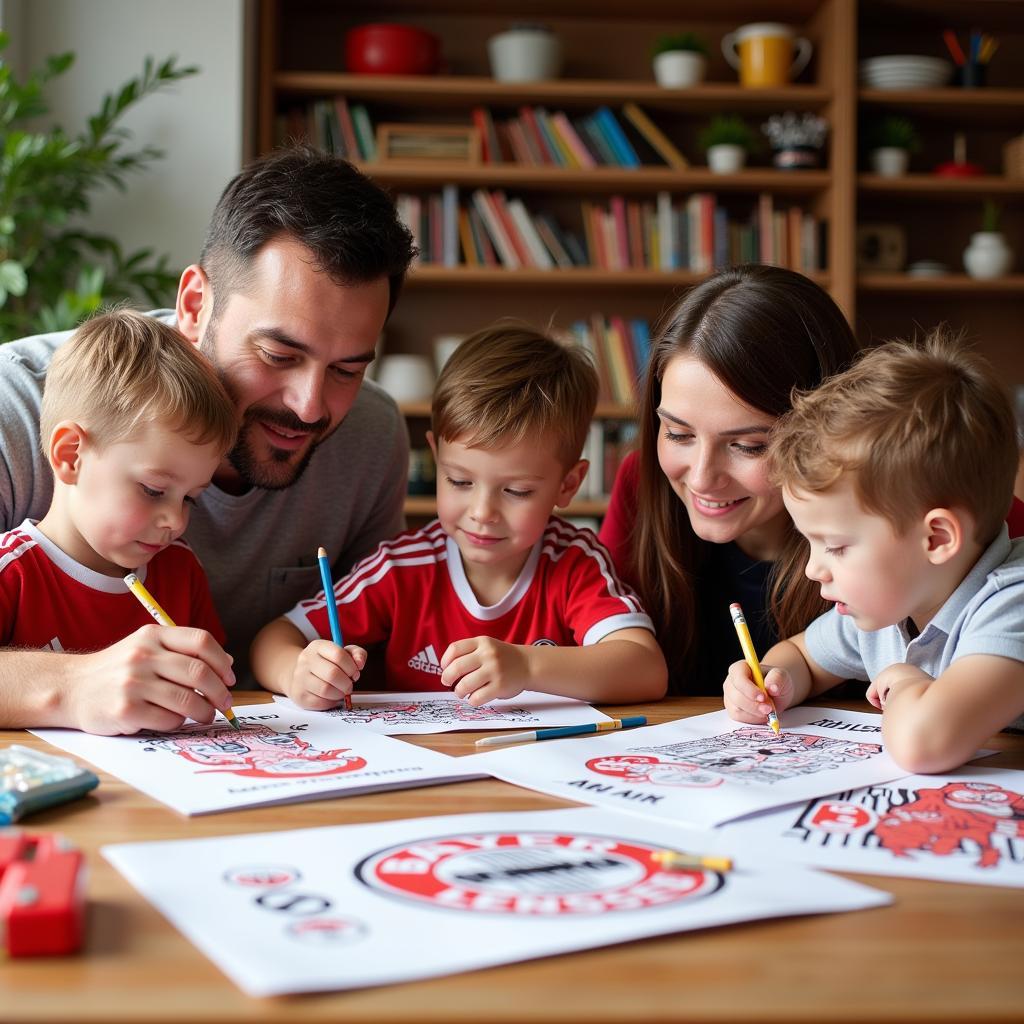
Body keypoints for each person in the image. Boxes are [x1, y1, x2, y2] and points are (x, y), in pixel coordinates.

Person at [0, 146, 417, 718]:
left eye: (348, 369)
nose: (311, 407)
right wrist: (70, 685)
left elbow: (380, 640)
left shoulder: (373, 436)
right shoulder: (17, 406)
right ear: (196, 304)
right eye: (278, 354)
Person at [251, 324, 667, 708]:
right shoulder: (402, 566)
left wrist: (528, 667)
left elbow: (645, 669)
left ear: (568, 485)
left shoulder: (573, 562)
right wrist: (297, 672)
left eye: (516, 491)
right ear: (436, 458)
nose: (482, 513)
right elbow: (273, 639)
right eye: (460, 482)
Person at [724, 332, 1024, 773]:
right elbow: (803, 656)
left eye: (837, 546)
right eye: (810, 542)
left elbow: (925, 745)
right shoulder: (893, 604)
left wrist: (906, 683)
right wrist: (773, 679)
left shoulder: (1011, 603)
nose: (812, 569)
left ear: (937, 539)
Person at [599, 265, 862, 694]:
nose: (702, 478)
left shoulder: (910, 503)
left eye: (749, 446)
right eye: (678, 434)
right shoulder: (640, 484)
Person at [0, 310, 238, 733]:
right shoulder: (13, 573)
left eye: (191, 500)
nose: (175, 521)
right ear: (71, 455)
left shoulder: (180, 571)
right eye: (153, 489)